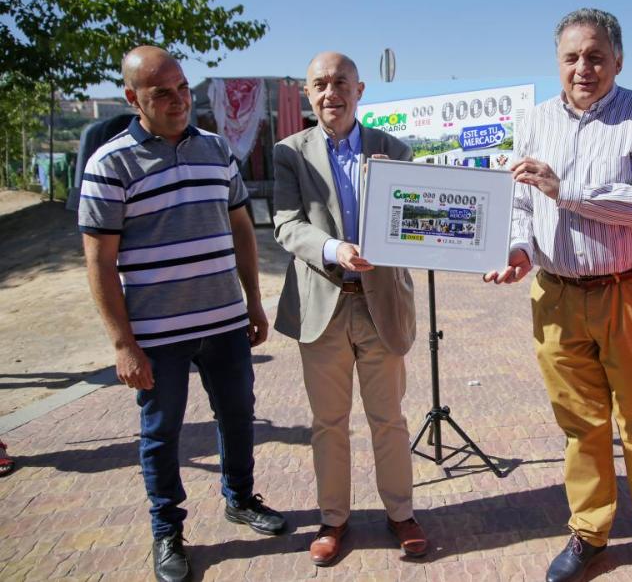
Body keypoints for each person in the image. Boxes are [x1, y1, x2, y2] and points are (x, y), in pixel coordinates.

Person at [485, 8, 632, 582]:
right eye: (572, 57)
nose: (584, 67)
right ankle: (590, 531)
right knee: (579, 421)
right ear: (557, 62)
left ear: (617, 60)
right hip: (555, 293)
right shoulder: (537, 120)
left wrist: (564, 189)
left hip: (629, 291)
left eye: (596, 55)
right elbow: (523, 203)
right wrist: (519, 250)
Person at [78, 46, 285, 582]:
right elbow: (99, 264)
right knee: (161, 432)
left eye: (183, 88)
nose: (177, 101)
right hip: (156, 334)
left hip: (224, 323)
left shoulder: (216, 150)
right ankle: (167, 530)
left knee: (238, 416)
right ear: (133, 98)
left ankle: (240, 498)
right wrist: (123, 344)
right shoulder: (110, 163)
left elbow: (240, 227)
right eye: (161, 93)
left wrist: (254, 301)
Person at [272, 52, 426, 567]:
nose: (330, 92)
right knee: (328, 422)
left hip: (381, 304)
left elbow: (414, 229)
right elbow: (288, 225)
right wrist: (337, 250)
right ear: (307, 94)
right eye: (320, 84)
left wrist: (395, 189)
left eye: (341, 82)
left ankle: (400, 513)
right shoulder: (289, 153)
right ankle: (333, 520)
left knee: (390, 419)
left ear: (360, 90)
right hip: (324, 306)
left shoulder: (393, 149)